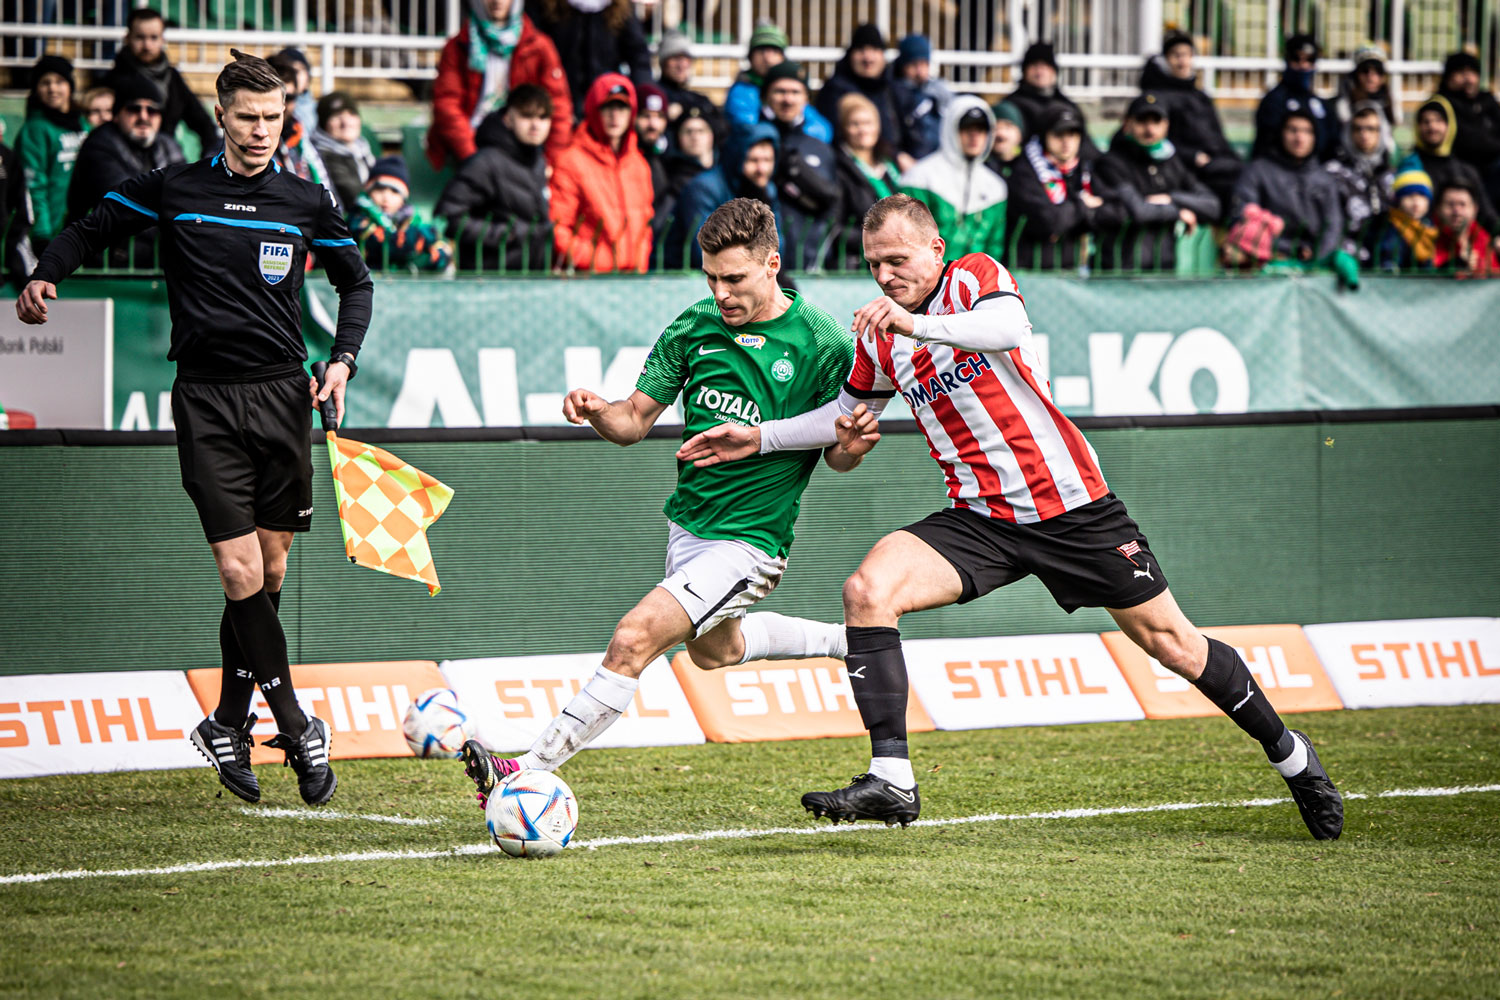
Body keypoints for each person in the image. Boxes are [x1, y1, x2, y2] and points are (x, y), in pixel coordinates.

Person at [675, 193, 1345, 842]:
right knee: (867, 590)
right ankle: (892, 779)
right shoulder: (882, 337)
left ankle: (1291, 756)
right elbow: (842, 419)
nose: (885, 275)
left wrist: (915, 323)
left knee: (1175, 646)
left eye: (898, 260)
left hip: (1073, 509)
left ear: (936, 250)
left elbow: (1007, 329)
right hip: (981, 520)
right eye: (874, 264)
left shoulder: (973, 279)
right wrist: (761, 437)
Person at [15, 50, 373, 809]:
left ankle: (227, 722)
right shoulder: (177, 187)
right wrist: (49, 269)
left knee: (269, 574)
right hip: (207, 401)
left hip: (284, 398)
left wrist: (340, 361)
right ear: (220, 116)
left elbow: (356, 282)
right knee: (241, 575)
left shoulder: (306, 198)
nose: (259, 131)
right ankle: (297, 724)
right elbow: (95, 224)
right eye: (246, 117)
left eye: (273, 118)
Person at [458, 196, 867, 798]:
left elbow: (837, 453)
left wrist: (853, 444)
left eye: (734, 278)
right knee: (714, 651)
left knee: (633, 638)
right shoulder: (693, 326)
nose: (721, 292)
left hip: (751, 542)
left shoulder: (823, 344)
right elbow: (632, 423)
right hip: (689, 529)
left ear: (772, 263)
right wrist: (597, 410)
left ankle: (524, 768)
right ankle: (845, 640)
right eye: (710, 277)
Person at [427, 0, 572, 169]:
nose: (497, 1)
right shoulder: (457, 46)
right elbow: (447, 106)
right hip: (470, 144)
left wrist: (552, 162)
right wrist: (472, 156)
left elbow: (559, 106)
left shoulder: (540, 47)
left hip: (523, 142)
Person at [66, 75, 186, 269]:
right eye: (134, 108)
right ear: (117, 113)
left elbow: (187, 195)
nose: (144, 116)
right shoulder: (100, 144)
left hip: (151, 259)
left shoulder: (167, 145)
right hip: (106, 262)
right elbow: (126, 202)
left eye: (152, 110)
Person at [1092, 92, 1219, 272]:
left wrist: (1170, 198)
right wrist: (1178, 212)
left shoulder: (1171, 162)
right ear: (1127, 124)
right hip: (1119, 270)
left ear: (1166, 126)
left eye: (1156, 122)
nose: (1150, 129)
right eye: (1142, 121)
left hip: (1163, 267)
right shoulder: (1112, 163)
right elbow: (1140, 211)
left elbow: (1212, 205)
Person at [436, 84, 554, 271]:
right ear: (508, 118)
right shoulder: (485, 162)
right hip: (490, 278)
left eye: (542, 117)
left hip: (530, 276)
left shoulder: (539, 161)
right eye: (527, 116)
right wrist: (508, 235)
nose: (535, 125)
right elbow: (448, 217)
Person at [550, 73, 654, 273]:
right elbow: (559, 227)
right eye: (607, 107)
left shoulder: (639, 164)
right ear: (593, 110)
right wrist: (597, 261)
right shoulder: (570, 161)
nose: (615, 116)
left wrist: (639, 265)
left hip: (631, 280)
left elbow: (645, 225)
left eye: (622, 108)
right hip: (589, 279)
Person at [1227, 109, 1344, 270]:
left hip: (1312, 262)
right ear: (1281, 133)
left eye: (1307, 131)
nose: (1299, 138)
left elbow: (1333, 226)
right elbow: (1244, 218)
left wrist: (1317, 261)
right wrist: (1291, 249)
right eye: (1293, 130)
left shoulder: (1325, 179)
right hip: (1264, 260)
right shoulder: (1257, 171)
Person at [1139, 31, 1241, 208]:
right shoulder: (1157, 98)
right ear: (1165, 60)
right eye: (1176, 55)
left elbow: (1218, 137)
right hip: (1189, 168)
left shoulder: (1200, 97)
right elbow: (1156, 140)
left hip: (1218, 161)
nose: (1182, 61)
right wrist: (1193, 156)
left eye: (1187, 55)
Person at [899, 97, 1006, 262]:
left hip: (977, 283)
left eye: (981, 129)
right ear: (951, 128)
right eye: (967, 128)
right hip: (930, 281)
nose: (974, 136)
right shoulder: (919, 178)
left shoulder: (995, 187)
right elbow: (906, 241)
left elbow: (994, 246)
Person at [665, 121, 781, 271]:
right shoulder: (704, 188)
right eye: (753, 160)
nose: (761, 169)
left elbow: (776, 244)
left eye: (768, 160)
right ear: (737, 160)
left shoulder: (767, 189)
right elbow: (705, 250)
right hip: (684, 275)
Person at [104, 8, 218, 156]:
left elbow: (203, 123)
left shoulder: (173, 78)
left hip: (164, 159)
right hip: (123, 159)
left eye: (153, 37)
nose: (147, 45)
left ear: (162, 40)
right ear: (128, 38)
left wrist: (209, 161)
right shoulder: (114, 79)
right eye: (140, 37)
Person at [760, 62, 839, 271]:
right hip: (758, 261)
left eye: (795, 91)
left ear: (806, 98)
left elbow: (833, 205)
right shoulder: (746, 141)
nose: (788, 99)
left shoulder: (821, 148)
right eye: (780, 91)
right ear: (766, 95)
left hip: (808, 259)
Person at [1004, 102, 1100, 270]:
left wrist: (1071, 213)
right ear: (1044, 136)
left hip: (1070, 270)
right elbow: (1049, 221)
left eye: (1072, 134)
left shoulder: (1083, 170)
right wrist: (1083, 205)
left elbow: (1110, 212)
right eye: (1058, 134)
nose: (1066, 142)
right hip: (1030, 272)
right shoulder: (1025, 172)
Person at [524, 0, 652, 117]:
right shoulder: (544, 5)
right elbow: (532, 52)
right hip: (556, 101)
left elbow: (638, 56)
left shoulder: (621, 7)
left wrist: (644, 97)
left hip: (605, 103)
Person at [15, 54, 87, 260]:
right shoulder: (34, 130)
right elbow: (34, 186)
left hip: (82, 232)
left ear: (70, 86)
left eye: (59, 81)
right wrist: (42, 234)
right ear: (36, 89)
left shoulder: (83, 125)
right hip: (51, 235)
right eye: (45, 82)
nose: (52, 89)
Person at [1399, 96, 1500, 233]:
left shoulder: (1466, 170)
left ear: (1449, 125)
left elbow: (1486, 213)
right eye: (1425, 121)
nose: (1432, 127)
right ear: (1417, 127)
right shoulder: (1409, 167)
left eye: (1438, 120)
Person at [816, 24, 908, 170]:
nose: (868, 57)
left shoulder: (893, 89)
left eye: (875, 50)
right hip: (851, 169)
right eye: (861, 50)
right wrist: (895, 156)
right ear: (850, 54)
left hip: (892, 169)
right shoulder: (835, 91)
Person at [832, 93, 901, 270]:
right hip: (858, 265)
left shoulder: (890, 166)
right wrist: (881, 239)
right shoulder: (839, 169)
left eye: (868, 123)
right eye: (855, 124)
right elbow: (836, 228)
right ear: (844, 128)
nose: (863, 130)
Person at [349, 156, 453, 272]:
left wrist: (425, 259)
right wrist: (419, 243)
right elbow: (387, 245)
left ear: (403, 197)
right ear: (369, 191)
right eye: (379, 189)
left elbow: (444, 253)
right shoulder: (358, 217)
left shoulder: (414, 219)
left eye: (394, 191)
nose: (386, 198)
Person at [1002, 42, 1100, 162]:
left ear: (1054, 71)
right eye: (1034, 66)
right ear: (1025, 71)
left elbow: (1086, 145)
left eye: (1045, 66)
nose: (1040, 72)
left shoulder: (1068, 105)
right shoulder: (1012, 106)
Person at [1325, 102, 1395, 262]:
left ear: (1382, 132)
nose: (1364, 134)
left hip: (1386, 257)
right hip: (1347, 256)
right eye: (1358, 128)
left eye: (1371, 129)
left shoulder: (1392, 175)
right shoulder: (1334, 172)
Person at [1252, 35, 1335, 162]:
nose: (1303, 65)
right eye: (1296, 59)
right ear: (1287, 60)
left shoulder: (1321, 104)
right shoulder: (1274, 101)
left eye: (1310, 60)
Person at [1435, 50, 1500, 199]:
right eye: (1462, 73)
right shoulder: (1442, 104)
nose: (1469, 79)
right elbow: (1469, 141)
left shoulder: (1486, 99)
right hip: (1459, 167)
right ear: (1448, 77)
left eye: (1472, 72)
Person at [269, 52, 335, 198]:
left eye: (289, 97)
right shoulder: (242, 144)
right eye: (275, 97)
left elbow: (329, 197)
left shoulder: (301, 139)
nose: (283, 105)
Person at [891, 33, 954, 161]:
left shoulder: (939, 91)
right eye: (913, 65)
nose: (919, 71)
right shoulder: (893, 92)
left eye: (924, 64)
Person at [311, 91, 376, 212]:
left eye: (351, 114)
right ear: (323, 124)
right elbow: (354, 197)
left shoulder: (362, 150)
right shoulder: (322, 156)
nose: (346, 122)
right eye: (336, 116)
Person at [655, 28, 723, 140]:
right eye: (675, 58)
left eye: (686, 58)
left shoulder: (699, 100)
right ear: (663, 63)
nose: (681, 65)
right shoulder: (655, 95)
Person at [725, 22, 788, 133]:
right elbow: (747, 128)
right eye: (761, 50)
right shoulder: (742, 90)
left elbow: (821, 129)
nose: (767, 57)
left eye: (774, 51)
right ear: (751, 56)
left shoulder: (790, 88)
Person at [1371, 167, 1436, 271]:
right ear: (1398, 200)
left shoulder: (1430, 226)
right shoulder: (1389, 226)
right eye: (1409, 196)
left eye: (1422, 196)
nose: (1416, 203)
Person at [1433, 179, 1499, 277]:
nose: (1457, 211)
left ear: (1475, 209)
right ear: (1438, 209)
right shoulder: (1427, 238)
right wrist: (1457, 265)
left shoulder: (1485, 239)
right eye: (1450, 204)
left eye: (1463, 204)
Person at [1335, 45, 1399, 131]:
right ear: (1356, 74)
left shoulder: (1391, 102)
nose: (1370, 76)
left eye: (1378, 70)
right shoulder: (1344, 103)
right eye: (1365, 70)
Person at [273, 47, 318, 133]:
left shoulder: (318, 111)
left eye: (298, 70)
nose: (293, 75)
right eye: (288, 70)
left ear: (308, 76)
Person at [984, 99, 1024, 183]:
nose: (1000, 134)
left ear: (1020, 134)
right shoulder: (981, 169)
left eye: (1008, 127)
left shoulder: (1031, 167)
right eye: (995, 128)